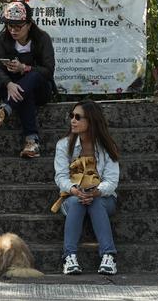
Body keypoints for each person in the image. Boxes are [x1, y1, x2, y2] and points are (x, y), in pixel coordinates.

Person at [53, 100, 120, 276]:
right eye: (71, 116)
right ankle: (69, 257)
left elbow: (112, 181)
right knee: (76, 202)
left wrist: (96, 192)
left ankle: (108, 257)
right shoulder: (63, 145)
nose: (72, 121)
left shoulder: (107, 146)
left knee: (96, 203)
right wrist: (75, 190)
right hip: (72, 197)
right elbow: (61, 177)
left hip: (104, 198)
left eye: (78, 117)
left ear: (91, 121)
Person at [0, 0, 55, 159]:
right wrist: (9, 83)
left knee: (32, 76)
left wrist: (24, 68)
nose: (13, 30)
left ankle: (5, 110)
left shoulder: (42, 38)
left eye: (18, 26)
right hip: (11, 89)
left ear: (29, 24)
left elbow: (48, 70)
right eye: (9, 26)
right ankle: (32, 142)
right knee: (25, 92)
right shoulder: (3, 39)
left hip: (40, 89)